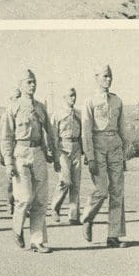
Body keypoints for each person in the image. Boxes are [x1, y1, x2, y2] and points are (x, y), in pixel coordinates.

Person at [1, 70, 58, 252]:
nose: (32, 85)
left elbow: (50, 133)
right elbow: (6, 137)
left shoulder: (41, 108)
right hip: (21, 154)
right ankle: (17, 228)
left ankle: (37, 240)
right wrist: (8, 162)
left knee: (41, 199)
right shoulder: (13, 107)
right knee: (24, 198)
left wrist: (55, 156)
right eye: (29, 82)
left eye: (34, 82)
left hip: (38, 153)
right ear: (21, 85)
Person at [81, 65, 129, 249]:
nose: (108, 80)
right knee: (101, 190)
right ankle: (87, 217)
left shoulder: (117, 101)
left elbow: (122, 128)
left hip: (115, 145)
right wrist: (90, 156)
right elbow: (86, 132)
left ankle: (113, 236)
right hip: (98, 145)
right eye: (105, 76)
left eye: (110, 77)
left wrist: (124, 155)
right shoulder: (90, 101)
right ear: (97, 78)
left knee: (117, 192)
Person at [51, 87, 84, 224]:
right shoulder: (58, 114)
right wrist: (53, 154)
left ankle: (74, 215)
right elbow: (53, 135)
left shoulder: (79, 114)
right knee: (65, 180)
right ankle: (54, 207)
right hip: (62, 148)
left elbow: (82, 134)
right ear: (64, 98)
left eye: (74, 95)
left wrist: (85, 151)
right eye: (70, 96)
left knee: (76, 183)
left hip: (76, 147)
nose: (73, 98)